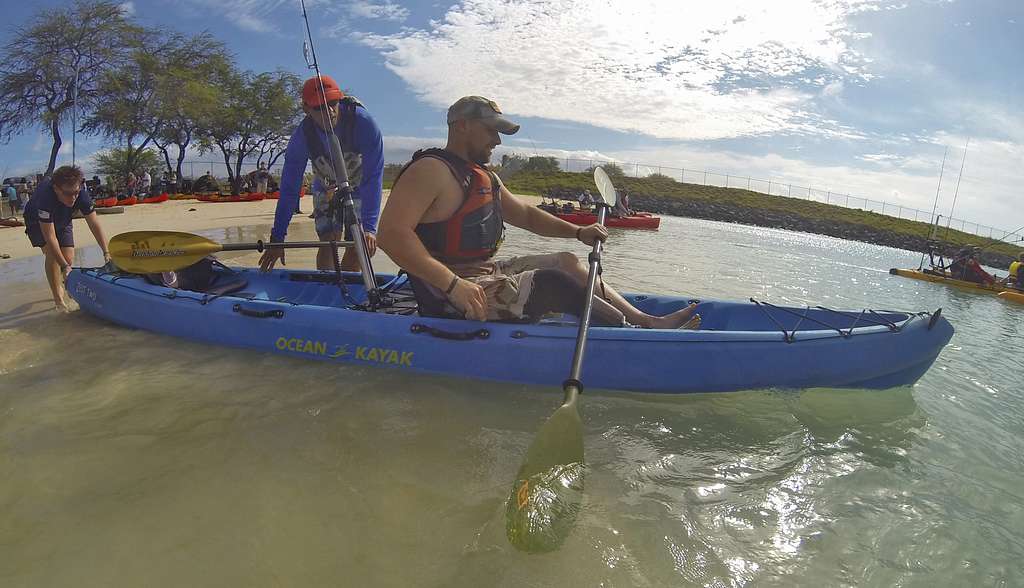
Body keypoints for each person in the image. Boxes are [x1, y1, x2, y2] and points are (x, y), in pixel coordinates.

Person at [377, 95, 699, 329]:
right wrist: (452, 285)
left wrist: (577, 232)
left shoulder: (485, 176)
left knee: (565, 261)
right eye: (490, 130)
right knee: (551, 283)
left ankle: (645, 320)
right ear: (461, 126)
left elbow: (527, 216)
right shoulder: (430, 170)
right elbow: (391, 235)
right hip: (449, 290)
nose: (497, 140)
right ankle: (631, 335)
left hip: (484, 271)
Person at [259, 75, 384, 272]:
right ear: (306, 109)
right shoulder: (302, 137)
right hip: (325, 187)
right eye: (319, 107)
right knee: (328, 243)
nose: (329, 112)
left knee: (358, 244)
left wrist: (370, 228)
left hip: (360, 186)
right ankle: (327, 285)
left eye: (333, 103)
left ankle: (346, 294)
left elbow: (373, 176)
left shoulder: (364, 123)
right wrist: (278, 237)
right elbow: (290, 189)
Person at [22, 165, 111, 312]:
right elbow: (50, 237)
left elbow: (94, 223)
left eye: (76, 192)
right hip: (36, 220)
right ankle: (58, 300)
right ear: (56, 188)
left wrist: (106, 252)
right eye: (68, 194)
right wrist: (64, 267)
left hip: (63, 216)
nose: (73, 197)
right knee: (53, 256)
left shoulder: (80, 194)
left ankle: (68, 286)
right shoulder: (45, 197)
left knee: (68, 257)